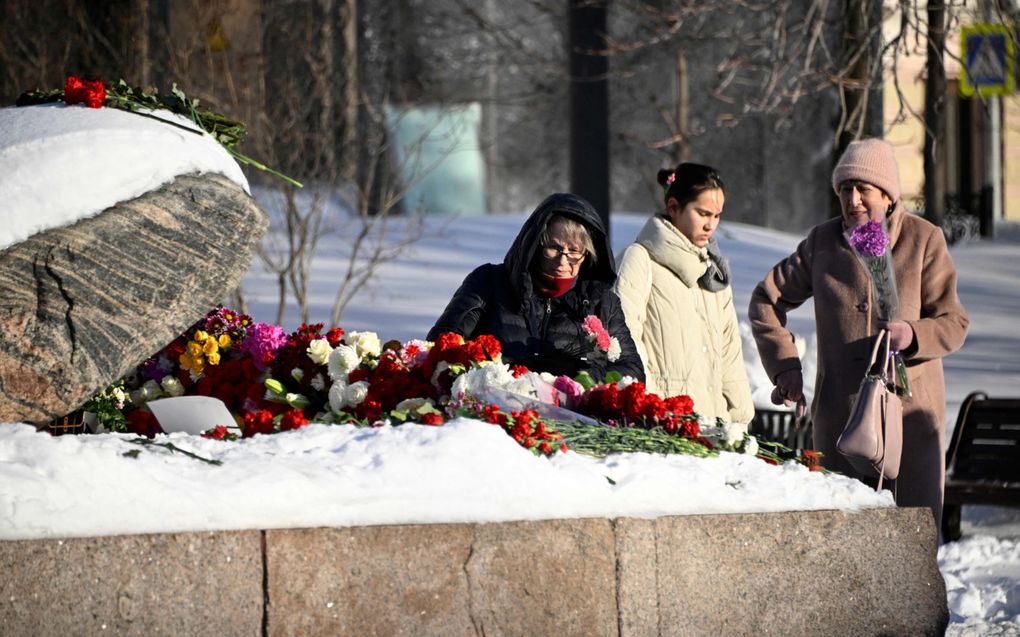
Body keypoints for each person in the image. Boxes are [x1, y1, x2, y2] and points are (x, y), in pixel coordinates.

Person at [748, 138, 969, 527]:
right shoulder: (822, 242)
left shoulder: (923, 240)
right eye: (844, 190)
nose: (853, 201)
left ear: (887, 195)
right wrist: (785, 368)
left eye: (863, 189)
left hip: (910, 426)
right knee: (846, 547)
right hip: (841, 427)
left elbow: (954, 323)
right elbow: (766, 301)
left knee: (911, 548)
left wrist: (913, 335)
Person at [428, 193, 644, 381]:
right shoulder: (488, 282)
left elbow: (632, 371)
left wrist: (580, 376)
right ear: (535, 244)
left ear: (587, 254)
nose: (562, 260)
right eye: (554, 247)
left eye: (574, 251)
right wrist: (501, 371)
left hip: (573, 421)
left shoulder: (603, 303)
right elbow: (440, 346)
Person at [614, 163, 754, 424]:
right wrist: (650, 406)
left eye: (717, 216)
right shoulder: (640, 259)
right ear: (674, 207)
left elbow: (729, 352)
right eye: (702, 213)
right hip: (662, 426)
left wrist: (738, 420)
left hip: (714, 430)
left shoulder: (714, 273)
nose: (710, 225)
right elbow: (623, 341)